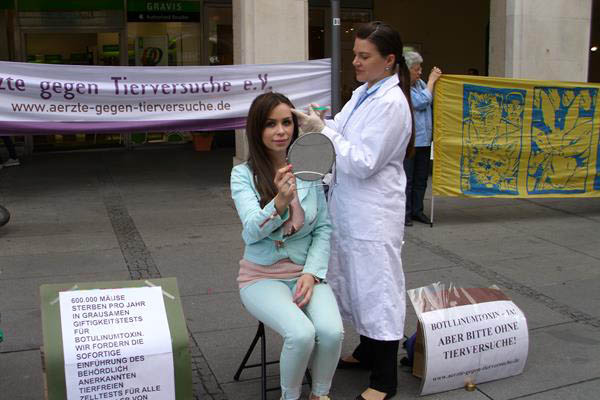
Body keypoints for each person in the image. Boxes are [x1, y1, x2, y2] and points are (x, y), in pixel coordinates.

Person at [292, 21, 414, 400]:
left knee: (378, 289)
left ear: (389, 60)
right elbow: (339, 130)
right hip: (349, 208)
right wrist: (320, 123)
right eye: (355, 55)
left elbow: (363, 161)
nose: (356, 62)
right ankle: (366, 350)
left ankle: (384, 380)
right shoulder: (363, 92)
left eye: (365, 56)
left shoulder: (393, 103)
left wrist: (325, 131)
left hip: (373, 213)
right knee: (353, 284)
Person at [230, 92, 344, 400]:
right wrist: (278, 202)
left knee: (332, 333)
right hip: (261, 276)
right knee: (301, 333)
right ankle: (289, 396)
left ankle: (320, 394)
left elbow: (323, 227)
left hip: (304, 272)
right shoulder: (243, 175)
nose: (280, 131)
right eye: (270, 124)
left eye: (286, 122)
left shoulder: (306, 168)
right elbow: (251, 233)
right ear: (257, 130)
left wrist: (312, 273)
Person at [403, 51, 442, 226]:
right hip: (411, 142)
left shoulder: (420, 84)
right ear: (407, 70)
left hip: (425, 141)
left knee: (421, 179)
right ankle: (406, 213)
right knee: (408, 179)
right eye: (417, 69)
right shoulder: (403, 87)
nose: (420, 72)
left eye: (420, 69)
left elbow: (429, 98)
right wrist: (432, 81)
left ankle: (418, 211)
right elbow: (421, 102)